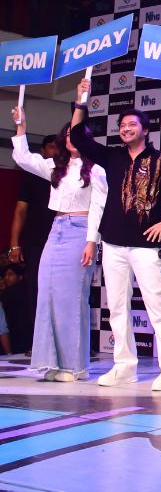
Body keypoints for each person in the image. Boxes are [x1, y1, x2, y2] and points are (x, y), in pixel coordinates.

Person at [70, 79, 161, 390]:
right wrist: (81, 101)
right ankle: (124, 367)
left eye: (132, 124)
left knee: (158, 307)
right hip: (113, 245)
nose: (126, 129)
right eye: (122, 125)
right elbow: (76, 137)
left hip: (145, 246)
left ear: (145, 130)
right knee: (117, 308)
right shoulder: (112, 157)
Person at [11, 112, 107, 381]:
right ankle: (53, 362)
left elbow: (98, 208)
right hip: (56, 230)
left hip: (81, 231)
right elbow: (23, 158)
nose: (70, 139)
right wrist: (21, 127)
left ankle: (75, 367)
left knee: (72, 299)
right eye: (67, 135)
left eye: (75, 134)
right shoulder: (57, 167)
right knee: (48, 295)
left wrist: (91, 241)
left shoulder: (96, 170)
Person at [8, 134, 58, 353]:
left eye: (59, 147)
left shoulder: (67, 174)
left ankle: (67, 343)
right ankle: (38, 344)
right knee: (36, 290)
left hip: (63, 238)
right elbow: (20, 211)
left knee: (64, 289)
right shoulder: (32, 177)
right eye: (51, 147)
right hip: (36, 240)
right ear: (43, 151)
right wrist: (14, 244)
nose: (55, 151)